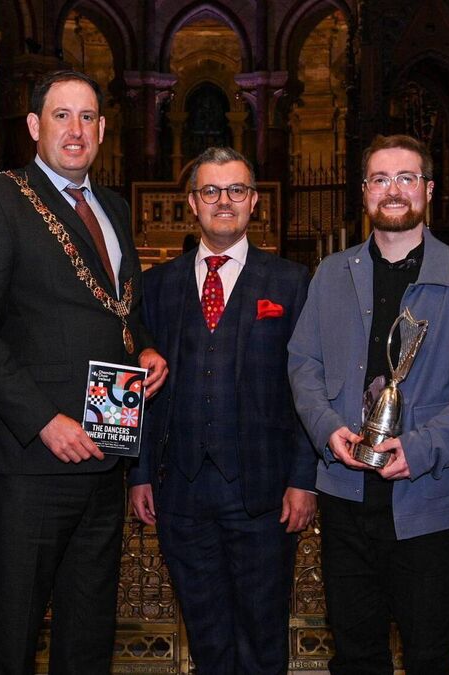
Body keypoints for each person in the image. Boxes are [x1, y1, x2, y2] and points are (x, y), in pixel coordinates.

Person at [0, 69, 168, 674]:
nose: (77, 130)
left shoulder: (115, 206)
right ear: (33, 125)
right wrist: (44, 420)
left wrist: (146, 347)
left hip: (107, 444)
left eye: (88, 117)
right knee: (12, 627)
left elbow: (123, 308)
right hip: (34, 458)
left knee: (88, 625)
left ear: (102, 128)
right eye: (61, 115)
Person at [287, 134, 449, 674]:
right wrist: (327, 428)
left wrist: (423, 447)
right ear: (364, 193)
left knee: (430, 653)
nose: (394, 190)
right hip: (346, 495)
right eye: (381, 179)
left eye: (407, 178)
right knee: (356, 653)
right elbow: (303, 363)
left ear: (429, 190)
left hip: (427, 497)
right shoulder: (332, 274)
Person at [128, 146, 316, 675]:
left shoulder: (290, 282)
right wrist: (140, 475)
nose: (224, 201)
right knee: (207, 634)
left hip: (261, 490)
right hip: (181, 492)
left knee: (262, 636)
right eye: (211, 191)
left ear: (254, 201)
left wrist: (304, 479)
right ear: (192, 202)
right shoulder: (159, 285)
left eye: (236, 190)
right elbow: (145, 382)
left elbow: (308, 386)